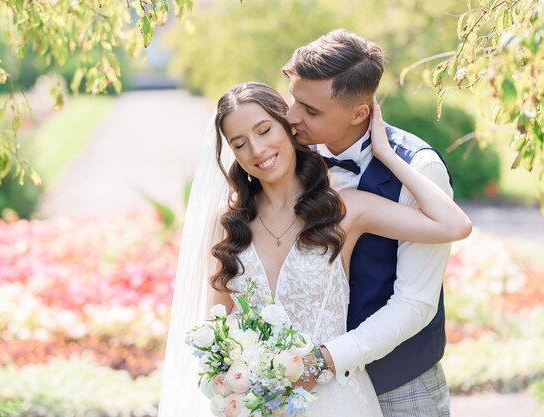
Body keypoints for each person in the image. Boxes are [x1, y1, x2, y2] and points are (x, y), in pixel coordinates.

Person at [158, 81, 469, 417]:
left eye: (264, 131)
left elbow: (454, 225)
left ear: (289, 127)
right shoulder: (227, 223)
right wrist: (237, 385)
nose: (257, 150)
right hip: (258, 404)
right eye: (240, 143)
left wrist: (386, 153)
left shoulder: (343, 209)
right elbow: (215, 327)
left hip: (336, 399)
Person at [282, 29, 455, 416]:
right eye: (294, 100)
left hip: (400, 386)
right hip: (309, 392)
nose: (292, 116)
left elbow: (415, 303)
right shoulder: (285, 155)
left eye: (310, 110)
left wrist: (327, 359)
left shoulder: (419, 168)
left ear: (360, 113)